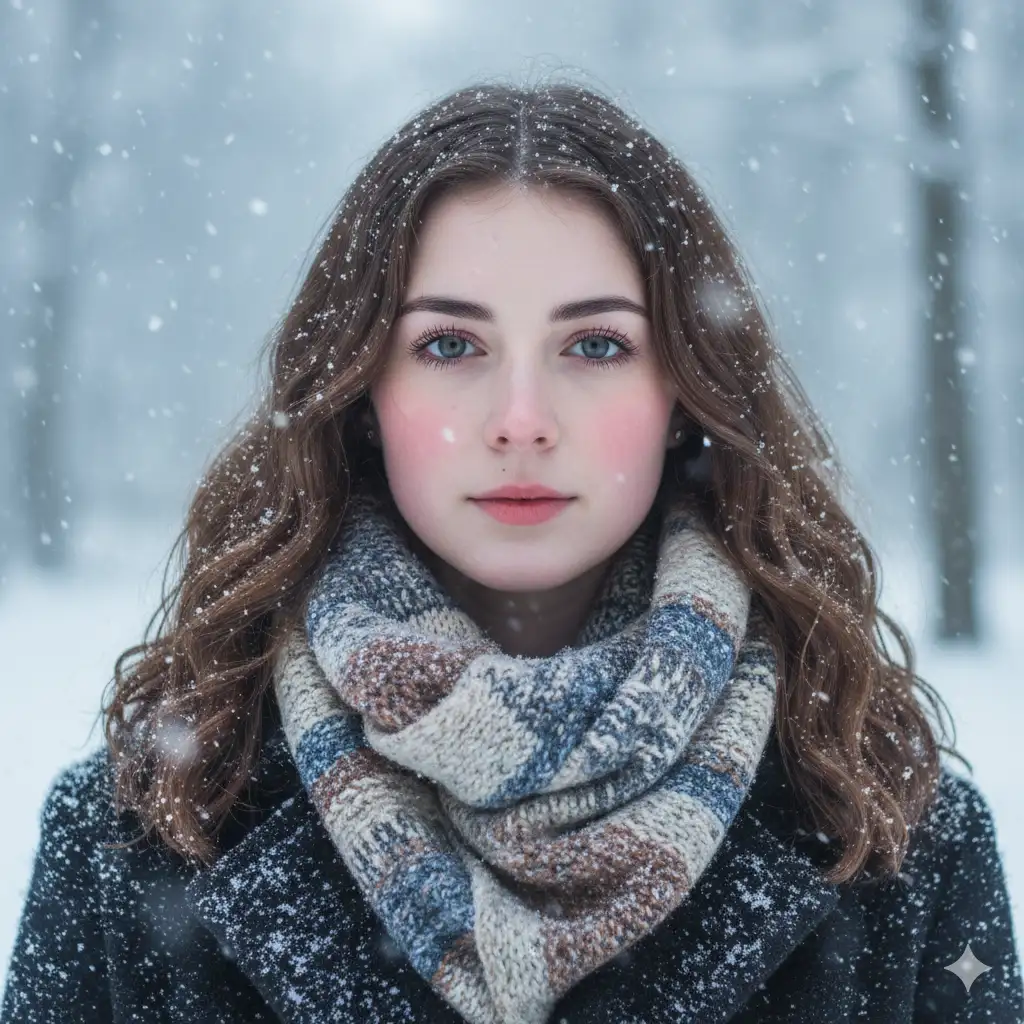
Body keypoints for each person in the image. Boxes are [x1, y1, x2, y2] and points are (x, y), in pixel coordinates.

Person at [2, 81, 1021, 1024]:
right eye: (450, 345)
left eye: (595, 346)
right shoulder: (131, 843)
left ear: (684, 395)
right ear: (362, 394)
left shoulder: (894, 843)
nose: (521, 420)